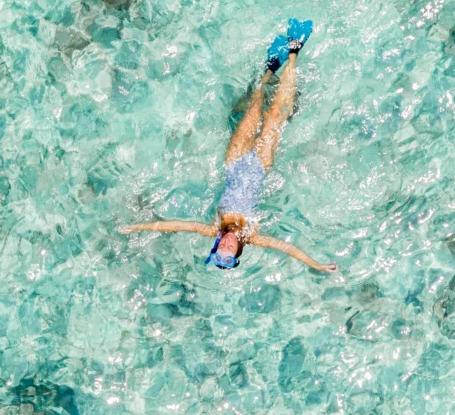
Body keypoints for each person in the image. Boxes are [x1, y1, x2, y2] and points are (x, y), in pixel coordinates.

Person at [122, 19, 338, 273]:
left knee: (254, 109)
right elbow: (286, 248)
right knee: (276, 116)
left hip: (234, 160)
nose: (226, 242)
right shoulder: (253, 235)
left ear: (216, 244)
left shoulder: (213, 227)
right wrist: (317, 265)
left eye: (221, 245)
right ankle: (293, 52)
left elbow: (172, 225)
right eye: (230, 248)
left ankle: (269, 69)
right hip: (259, 166)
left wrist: (136, 228)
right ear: (238, 250)